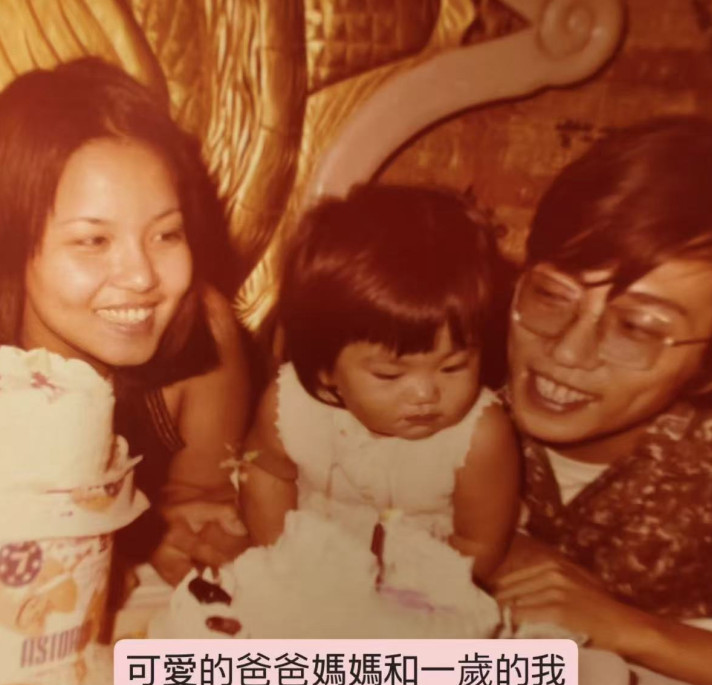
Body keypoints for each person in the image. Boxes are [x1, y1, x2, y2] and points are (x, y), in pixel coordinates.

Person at [0, 58, 251, 587]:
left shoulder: (203, 333)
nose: (142, 276)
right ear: (14, 242)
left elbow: (199, 502)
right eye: (93, 240)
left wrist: (187, 534)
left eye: (166, 234)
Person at [493, 117, 712, 685]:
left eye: (637, 328)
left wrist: (630, 629)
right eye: (551, 295)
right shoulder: (434, 393)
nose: (566, 351)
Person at [241, 184, 520, 581]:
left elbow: (480, 545)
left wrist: (398, 595)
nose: (426, 395)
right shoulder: (288, 407)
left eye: (453, 367)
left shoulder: (480, 438)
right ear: (324, 368)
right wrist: (278, 556)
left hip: (424, 585)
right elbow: (266, 474)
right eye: (390, 374)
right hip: (309, 564)